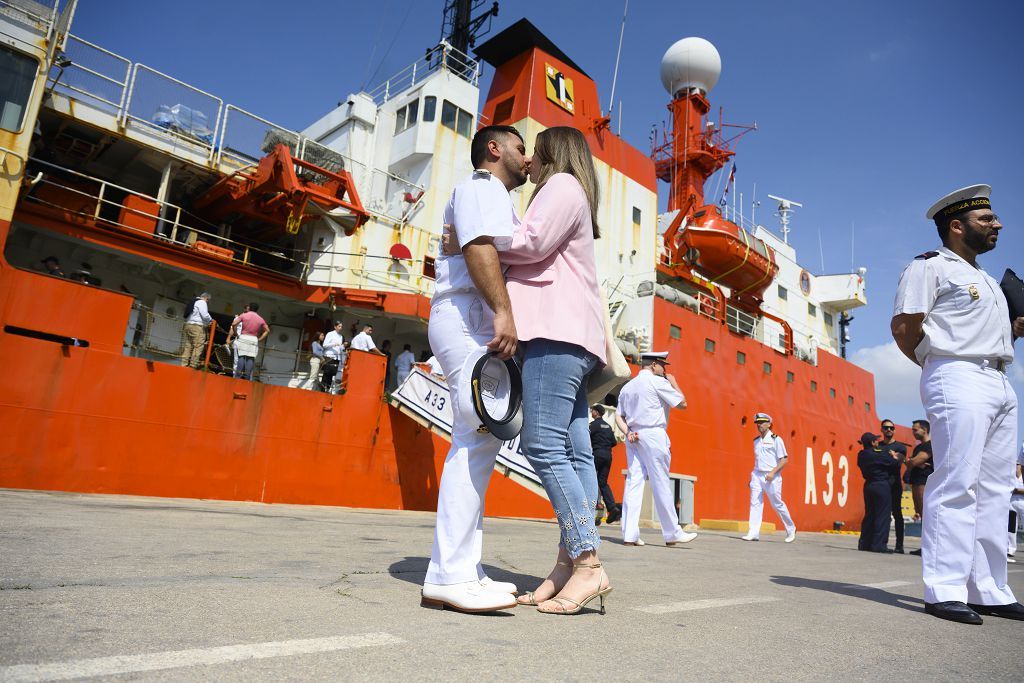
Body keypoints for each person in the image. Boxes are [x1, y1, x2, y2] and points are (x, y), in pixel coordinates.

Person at [891, 184, 1024, 624]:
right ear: (956, 225)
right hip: (958, 375)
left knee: (995, 489)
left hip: (999, 379)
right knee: (957, 483)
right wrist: (936, 363)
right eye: (986, 219)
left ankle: (988, 588)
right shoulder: (930, 267)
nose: (997, 224)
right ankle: (944, 589)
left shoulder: (987, 279)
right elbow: (905, 326)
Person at [495, 126, 612, 615]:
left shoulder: (561, 187)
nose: (528, 161)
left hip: (554, 334)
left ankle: (587, 562)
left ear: (549, 152)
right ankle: (567, 565)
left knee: (542, 444)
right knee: (576, 452)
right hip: (575, 337)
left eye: (533, 151)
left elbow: (532, 242)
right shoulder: (577, 193)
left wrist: (478, 238)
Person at [419, 125, 526, 614]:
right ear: (495, 149)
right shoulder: (482, 188)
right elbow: (479, 246)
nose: (528, 160)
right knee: (476, 436)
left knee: (478, 438)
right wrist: (502, 312)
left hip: (467, 314)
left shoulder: (490, 194)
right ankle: (448, 574)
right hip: (467, 314)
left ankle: (464, 567)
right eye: (522, 150)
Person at [615, 352, 696, 549]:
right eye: (662, 365)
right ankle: (672, 533)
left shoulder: (627, 387)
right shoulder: (658, 382)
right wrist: (674, 382)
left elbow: (619, 416)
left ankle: (630, 534)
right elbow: (683, 404)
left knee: (634, 482)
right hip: (653, 434)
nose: (664, 369)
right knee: (660, 481)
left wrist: (628, 433)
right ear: (653, 365)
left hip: (633, 436)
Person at [741, 413, 797, 543]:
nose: (759, 425)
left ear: (769, 424)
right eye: (757, 423)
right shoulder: (756, 441)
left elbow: (784, 459)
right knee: (755, 503)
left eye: (762, 423)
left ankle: (791, 528)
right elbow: (758, 460)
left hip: (771, 476)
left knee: (777, 504)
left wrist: (772, 473)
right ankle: (753, 533)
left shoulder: (776, 439)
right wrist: (753, 477)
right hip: (757, 474)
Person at [857, 432, 900, 553]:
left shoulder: (861, 455)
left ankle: (864, 543)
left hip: (868, 485)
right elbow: (895, 464)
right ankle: (879, 545)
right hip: (881, 485)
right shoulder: (880, 454)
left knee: (869, 514)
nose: (878, 442)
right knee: (883, 516)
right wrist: (893, 456)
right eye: (876, 440)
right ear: (872, 442)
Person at [879, 418, 908, 553]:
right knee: (881, 513)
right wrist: (891, 458)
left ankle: (899, 545)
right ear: (881, 430)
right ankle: (879, 542)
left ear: (894, 430)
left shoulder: (900, 447)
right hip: (882, 483)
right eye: (886, 427)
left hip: (894, 484)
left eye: (891, 428)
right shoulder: (878, 446)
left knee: (897, 513)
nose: (888, 430)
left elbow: (898, 463)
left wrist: (889, 459)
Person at [589, 404, 620, 525]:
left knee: (589, 480)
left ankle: (593, 508)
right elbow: (614, 442)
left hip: (597, 454)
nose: (591, 412)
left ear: (596, 413)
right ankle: (612, 509)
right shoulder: (608, 426)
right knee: (602, 482)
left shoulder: (593, 425)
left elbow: (585, 437)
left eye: (592, 410)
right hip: (608, 455)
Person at [226, 302, 269, 381]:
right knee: (250, 358)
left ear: (250, 308)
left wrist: (235, 333)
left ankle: (237, 377)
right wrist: (259, 339)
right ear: (257, 309)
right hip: (253, 339)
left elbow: (234, 324)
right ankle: (247, 378)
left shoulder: (244, 315)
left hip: (243, 337)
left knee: (241, 357)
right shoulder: (260, 318)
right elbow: (267, 330)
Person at [906, 419, 933, 527]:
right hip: (916, 481)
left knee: (926, 512)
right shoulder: (918, 447)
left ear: (924, 430)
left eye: (915, 430)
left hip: (924, 481)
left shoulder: (930, 445)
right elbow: (911, 463)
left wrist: (912, 462)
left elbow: (914, 461)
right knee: (920, 511)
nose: (913, 432)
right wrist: (911, 462)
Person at [181, 292, 212, 369]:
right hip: (197, 326)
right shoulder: (202, 302)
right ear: (206, 298)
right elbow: (204, 315)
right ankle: (192, 365)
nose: (207, 302)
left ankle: (184, 364)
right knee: (198, 346)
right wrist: (211, 320)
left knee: (188, 345)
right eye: (207, 300)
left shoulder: (193, 301)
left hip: (188, 325)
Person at [1008, 444, 1024, 564]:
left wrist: (1018, 490)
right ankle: (1010, 549)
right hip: (1012, 501)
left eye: (1018, 465)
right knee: (1012, 526)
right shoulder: (1010, 477)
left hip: (1022, 500)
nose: (1017, 467)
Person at [321, 322, 346, 392]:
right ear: (335, 327)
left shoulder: (341, 336)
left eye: (341, 326)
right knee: (326, 374)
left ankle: (328, 389)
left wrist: (343, 348)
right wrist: (334, 344)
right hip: (329, 356)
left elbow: (340, 347)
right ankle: (322, 389)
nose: (340, 328)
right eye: (339, 326)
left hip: (337, 357)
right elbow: (325, 345)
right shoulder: (330, 334)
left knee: (332, 374)